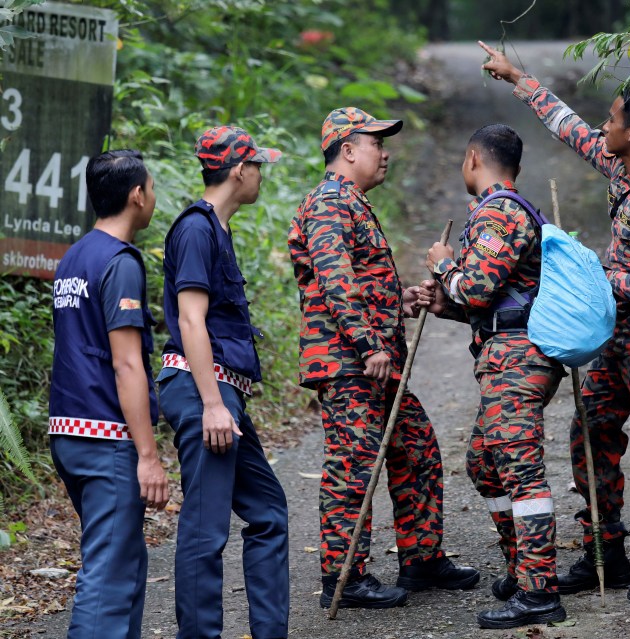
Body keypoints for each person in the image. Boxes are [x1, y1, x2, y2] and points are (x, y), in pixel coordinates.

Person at [479, 42, 630, 603]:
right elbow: (567, 127)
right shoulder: (619, 167)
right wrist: (520, 77)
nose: (601, 127)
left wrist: (588, 274)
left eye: (611, 119)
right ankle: (605, 551)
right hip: (617, 338)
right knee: (590, 433)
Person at [288, 107, 479, 610]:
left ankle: (420, 559)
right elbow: (335, 280)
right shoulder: (330, 203)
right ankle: (344, 577)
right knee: (353, 465)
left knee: (415, 448)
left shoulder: (351, 202)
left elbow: (363, 283)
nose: (385, 150)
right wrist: (368, 342)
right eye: (375, 142)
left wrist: (403, 300)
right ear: (348, 150)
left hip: (374, 362)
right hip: (350, 362)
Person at [425, 124, 567, 629]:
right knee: (485, 464)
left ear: (472, 160)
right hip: (507, 353)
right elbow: (495, 304)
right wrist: (446, 304)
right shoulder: (503, 210)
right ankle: (522, 567)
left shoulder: (500, 212)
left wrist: (445, 268)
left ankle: (539, 591)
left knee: (522, 471)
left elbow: (480, 288)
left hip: (518, 362)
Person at [157, 126, 289, 639]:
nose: (260, 175)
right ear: (239, 170)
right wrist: (213, 404)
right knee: (205, 528)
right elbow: (191, 320)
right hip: (203, 391)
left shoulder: (217, 227)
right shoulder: (195, 229)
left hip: (220, 392)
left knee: (268, 512)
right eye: (258, 165)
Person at [48, 149, 169, 639]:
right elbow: (125, 363)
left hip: (68, 432)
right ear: (137, 195)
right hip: (106, 438)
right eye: (152, 187)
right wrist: (148, 455)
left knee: (125, 560)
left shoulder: (75, 257)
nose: (154, 196)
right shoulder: (120, 263)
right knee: (108, 578)